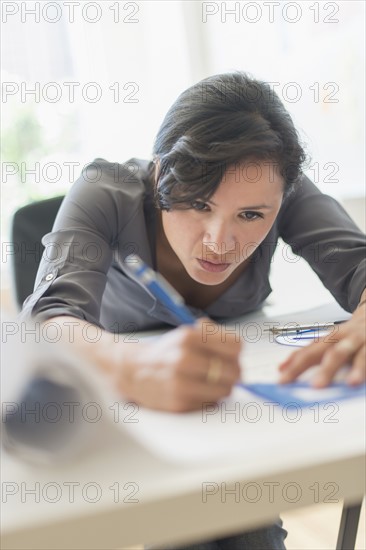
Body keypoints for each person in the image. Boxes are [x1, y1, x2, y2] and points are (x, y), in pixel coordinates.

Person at [20, 71, 365, 550]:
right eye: (199, 204)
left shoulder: (281, 188)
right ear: (160, 173)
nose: (220, 243)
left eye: (251, 216)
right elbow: (48, 323)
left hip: (231, 404)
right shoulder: (106, 190)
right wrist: (130, 364)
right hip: (133, 408)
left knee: (243, 520)